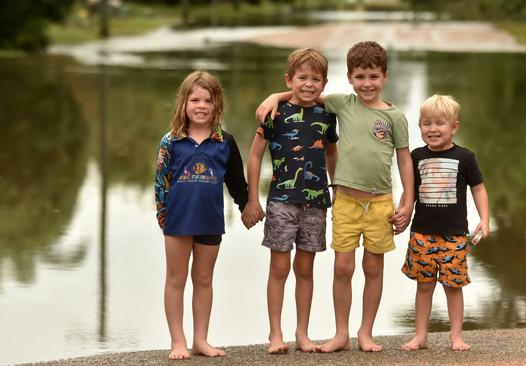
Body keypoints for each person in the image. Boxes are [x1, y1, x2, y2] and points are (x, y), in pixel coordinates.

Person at [256, 41, 414, 353]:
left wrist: (408, 200)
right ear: (350, 77)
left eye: (373, 76)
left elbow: (405, 159)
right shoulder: (342, 104)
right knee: (343, 268)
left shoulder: (395, 117)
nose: (366, 84)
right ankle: (341, 334)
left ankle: (365, 332)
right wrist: (276, 95)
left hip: (381, 202)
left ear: (385, 76)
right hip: (344, 201)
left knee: (373, 268)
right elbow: (306, 92)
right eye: (359, 77)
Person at [242, 48, 339, 354]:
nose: (308, 84)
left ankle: (303, 334)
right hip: (281, 201)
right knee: (279, 269)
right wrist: (251, 198)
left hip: (316, 202)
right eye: (301, 78)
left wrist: (334, 185)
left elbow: (332, 151)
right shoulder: (275, 113)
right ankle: (275, 334)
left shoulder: (327, 115)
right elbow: (255, 155)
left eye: (315, 79)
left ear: (324, 83)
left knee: (306, 270)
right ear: (289, 79)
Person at [154, 70, 248, 360]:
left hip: (210, 221)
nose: (201, 105)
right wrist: (163, 218)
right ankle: (178, 341)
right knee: (176, 279)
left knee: (204, 279)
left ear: (217, 104)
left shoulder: (225, 142)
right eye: (194, 99)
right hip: (178, 222)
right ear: (184, 103)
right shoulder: (171, 142)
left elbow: (236, 182)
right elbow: (160, 184)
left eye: (208, 100)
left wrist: (248, 207)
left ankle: (200, 340)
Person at [400, 94, 490, 352]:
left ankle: (456, 337)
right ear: (419, 127)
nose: (433, 129)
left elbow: (479, 189)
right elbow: (409, 190)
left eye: (440, 123)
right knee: (424, 285)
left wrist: (484, 219)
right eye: (426, 123)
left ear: (454, 127)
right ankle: (420, 336)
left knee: (453, 286)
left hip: (454, 235)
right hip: (422, 233)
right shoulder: (416, 156)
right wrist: (403, 211)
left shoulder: (465, 157)